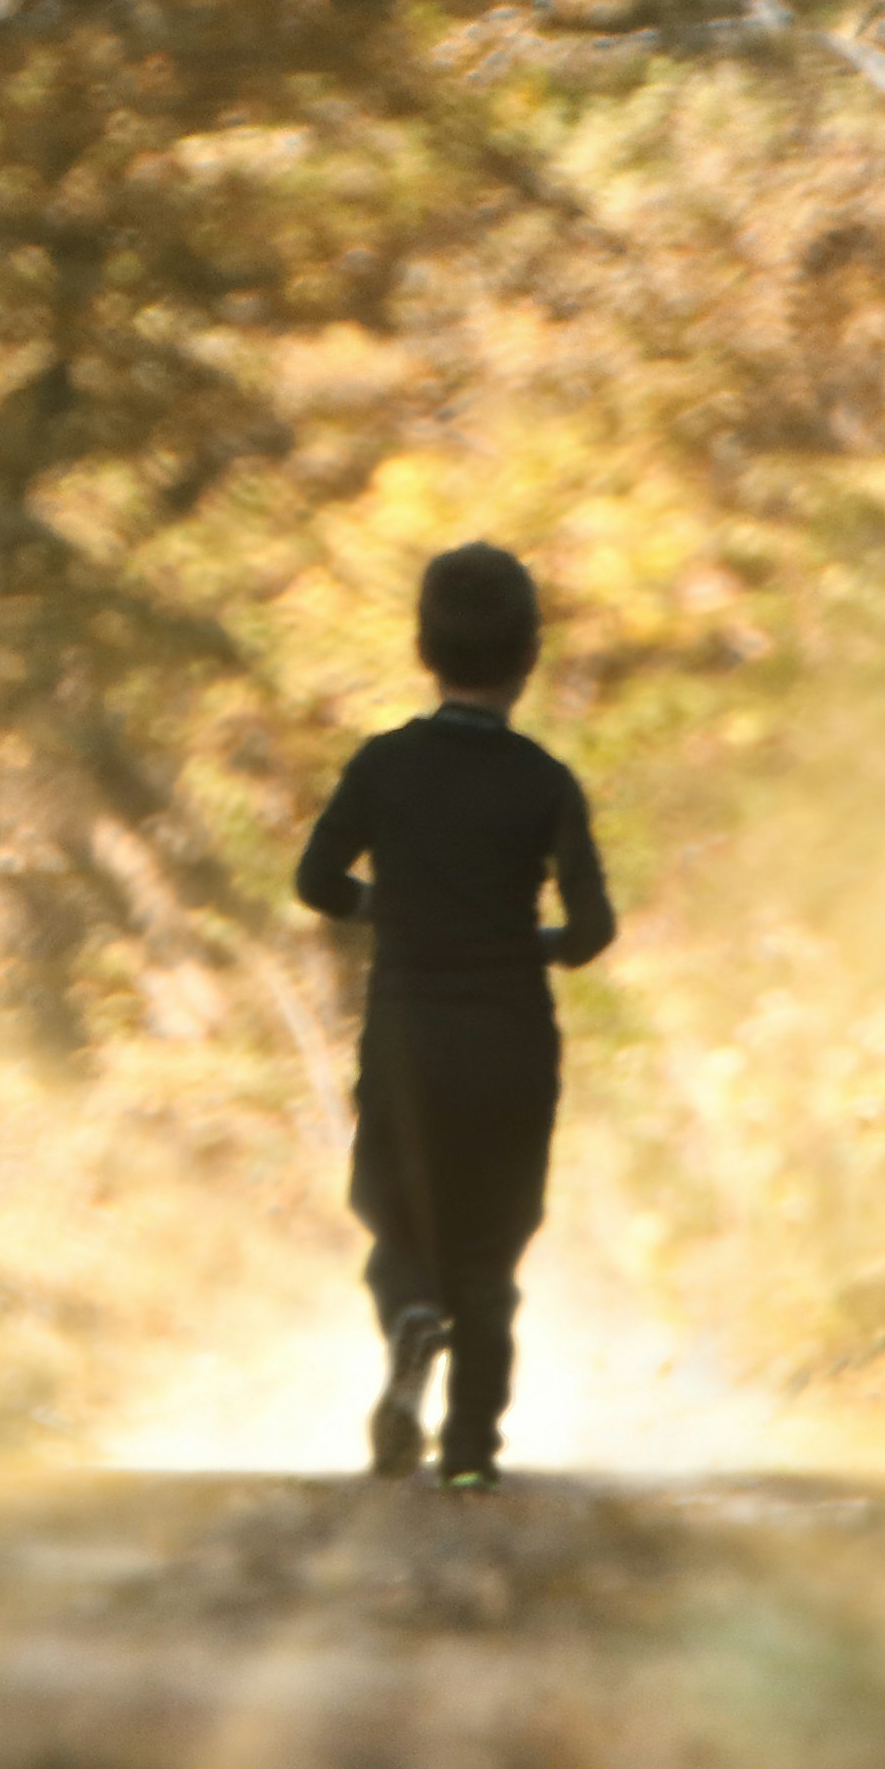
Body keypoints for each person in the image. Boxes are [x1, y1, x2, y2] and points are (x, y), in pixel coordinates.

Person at [292, 540, 614, 1486]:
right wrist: (527, 946)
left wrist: (388, 911)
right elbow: (592, 929)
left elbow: (316, 881)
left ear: (422, 647)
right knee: (492, 1244)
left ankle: (407, 1320)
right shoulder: (545, 781)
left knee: (396, 1220)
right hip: (512, 1036)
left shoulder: (384, 765)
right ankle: (470, 1455)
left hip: (407, 1032)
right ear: (530, 655)